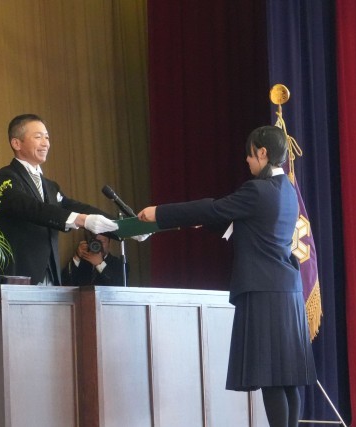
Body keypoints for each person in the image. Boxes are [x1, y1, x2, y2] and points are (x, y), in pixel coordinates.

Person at [137, 125, 316, 427]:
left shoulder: (257, 189)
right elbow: (248, 224)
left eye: (250, 154)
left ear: (262, 152)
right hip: (288, 290)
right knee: (288, 379)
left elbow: (215, 207)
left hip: (264, 292)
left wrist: (160, 212)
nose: (247, 160)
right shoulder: (287, 189)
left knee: (272, 378)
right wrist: (206, 220)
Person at [0, 114, 118, 286]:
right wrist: (82, 220)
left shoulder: (50, 186)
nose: (46, 143)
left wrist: (122, 226)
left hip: (51, 278)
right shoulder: (3, 178)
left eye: (47, 137)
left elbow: (73, 206)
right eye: (38, 137)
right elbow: (33, 208)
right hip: (18, 277)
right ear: (16, 143)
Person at [61, 232, 127, 286]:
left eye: (102, 241)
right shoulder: (83, 262)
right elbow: (66, 281)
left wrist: (100, 264)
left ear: (109, 243)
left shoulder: (119, 264)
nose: (99, 245)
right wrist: (77, 257)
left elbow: (119, 285)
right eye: (96, 241)